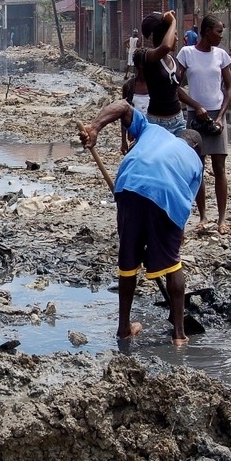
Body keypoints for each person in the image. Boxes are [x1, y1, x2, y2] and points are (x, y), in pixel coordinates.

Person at [78, 99, 203, 346]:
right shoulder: (196, 162)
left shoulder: (153, 130)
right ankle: (179, 335)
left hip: (129, 186)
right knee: (172, 264)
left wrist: (95, 127)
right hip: (166, 196)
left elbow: (123, 106)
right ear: (196, 147)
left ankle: (123, 328)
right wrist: (171, 239)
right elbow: (184, 205)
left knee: (128, 261)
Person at [176, 14, 231, 235]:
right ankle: (202, 216)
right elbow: (176, 86)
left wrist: (220, 116)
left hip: (217, 116)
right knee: (197, 168)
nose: (221, 36)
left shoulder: (221, 55)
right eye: (219, 31)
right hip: (195, 117)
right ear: (207, 31)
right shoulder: (186, 53)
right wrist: (196, 105)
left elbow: (229, 88)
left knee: (219, 168)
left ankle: (222, 219)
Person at [140, 10, 191, 136]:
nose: (177, 38)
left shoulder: (174, 60)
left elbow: (175, 89)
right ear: (165, 36)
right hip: (156, 122)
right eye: (174, 34)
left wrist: (196, 104)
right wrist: (173, 21)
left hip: (178, 120)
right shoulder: (147, 56)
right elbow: (166, 47)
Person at [120, 47, 149, 155]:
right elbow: (123, 114)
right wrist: (123, 141)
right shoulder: (129, 87)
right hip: (135, 136)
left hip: (152, 134)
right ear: (141, 65)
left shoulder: (155, 85)